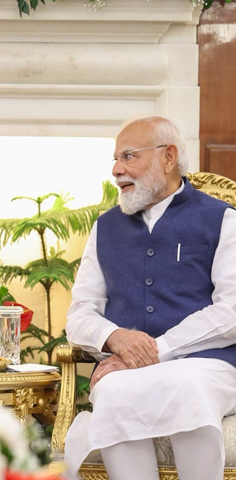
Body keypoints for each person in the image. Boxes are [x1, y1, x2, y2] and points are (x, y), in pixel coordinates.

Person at [64, 115, 236, 480]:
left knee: (186, 386)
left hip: (207, 363)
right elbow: (80, 314)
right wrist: (115, 338)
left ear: (168, 157)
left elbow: (232, 310)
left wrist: (158, 350)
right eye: (115, 159)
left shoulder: (222, 219)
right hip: (124, 366)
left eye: (128, 156)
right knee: (113, 389)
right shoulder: (105, 227)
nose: (116, 170)